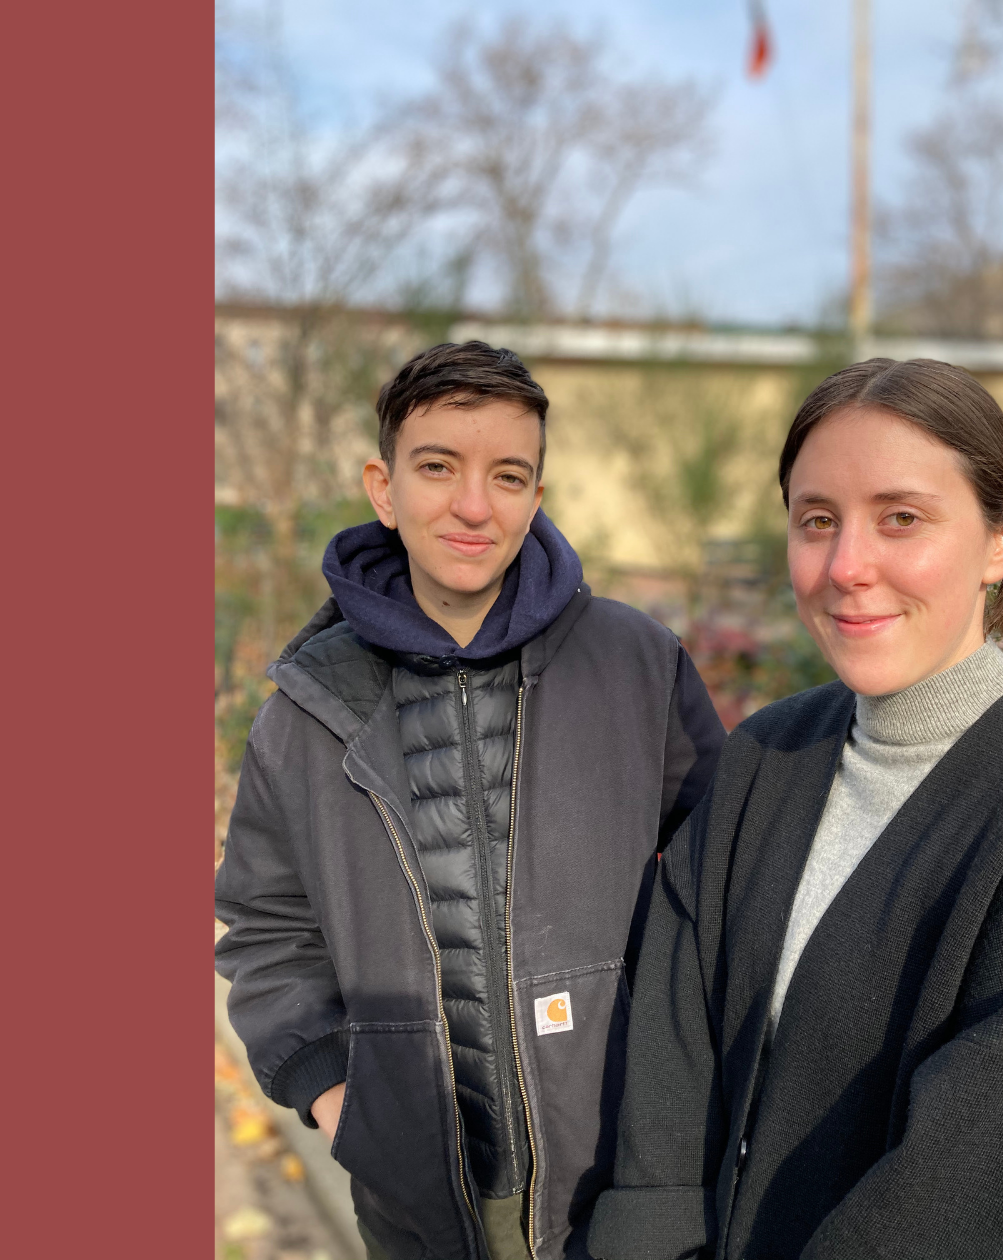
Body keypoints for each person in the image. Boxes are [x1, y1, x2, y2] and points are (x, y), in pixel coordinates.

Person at [587, 359, 1003, 1260]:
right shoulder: (766, 761)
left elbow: (997, 1200)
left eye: (901, 518)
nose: (847, 567)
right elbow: (671, 1053)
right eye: (818, 521)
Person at [216, 341, 727, 1260]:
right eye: (438, 466)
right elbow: (265, 921)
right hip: (417, 1198)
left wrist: (676, 1089)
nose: (472, 505)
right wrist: (338, 1094)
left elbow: (721, 887)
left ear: (536, 495)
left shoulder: (638, 667)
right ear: (384, 486)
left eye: (508, 474)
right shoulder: (305, 712)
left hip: (622, 1179)